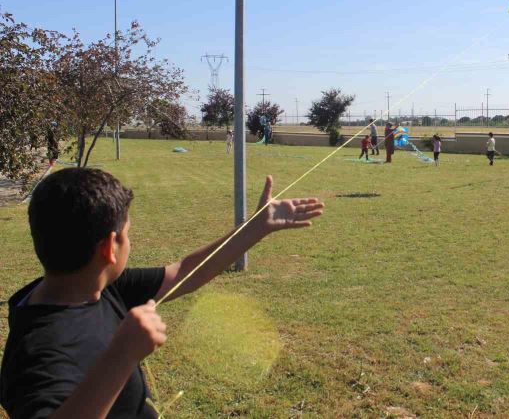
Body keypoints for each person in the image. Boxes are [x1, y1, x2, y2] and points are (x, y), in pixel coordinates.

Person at [0, 168, 324, 418]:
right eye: (126, 234)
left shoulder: (96, 287)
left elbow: (183, 273)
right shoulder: (39, 350)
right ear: (108, 248)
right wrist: (121, 355)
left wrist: (256, 227)